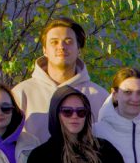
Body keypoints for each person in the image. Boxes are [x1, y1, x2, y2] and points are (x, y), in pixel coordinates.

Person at [12, 17, 108, 145]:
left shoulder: (100, 97)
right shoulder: (21, 94)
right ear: (44, 50)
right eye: (54, 42)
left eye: (68, 41)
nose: (61, 47)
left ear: (79, 49)